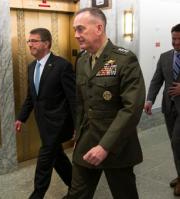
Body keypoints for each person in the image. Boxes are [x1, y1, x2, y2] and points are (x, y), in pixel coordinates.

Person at [67, 8, 145, 199]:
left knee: (124, 194)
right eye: (75, 30)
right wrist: (78, 132)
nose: (76, 35)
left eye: (80, 29)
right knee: (77, 194)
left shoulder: (124, 59)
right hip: (86, 141)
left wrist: (105, 146)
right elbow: (81, 103)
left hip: (116, 145)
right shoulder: (83, 60)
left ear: (99, 28)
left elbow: (132, 108)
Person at [15, 28, 75, 199]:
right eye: (29, 41)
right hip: (43, 124)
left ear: (46, 43)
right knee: (58, 158)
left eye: (34, 41)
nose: (30, 44)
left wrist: (78, 127)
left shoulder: (62, 66)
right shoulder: (31, 67)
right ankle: (76, 188)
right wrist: (21, 117)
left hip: (59, 124)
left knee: (45, 160)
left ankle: (37, 195)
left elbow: (73, 100)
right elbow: (31, 97)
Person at [144, 23, 180, 196]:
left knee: (177, 142)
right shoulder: (165, 57)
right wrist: (150, 99)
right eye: (174, 39)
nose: (176, 42)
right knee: (175, 145)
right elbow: (156, 80)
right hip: (169, 107)